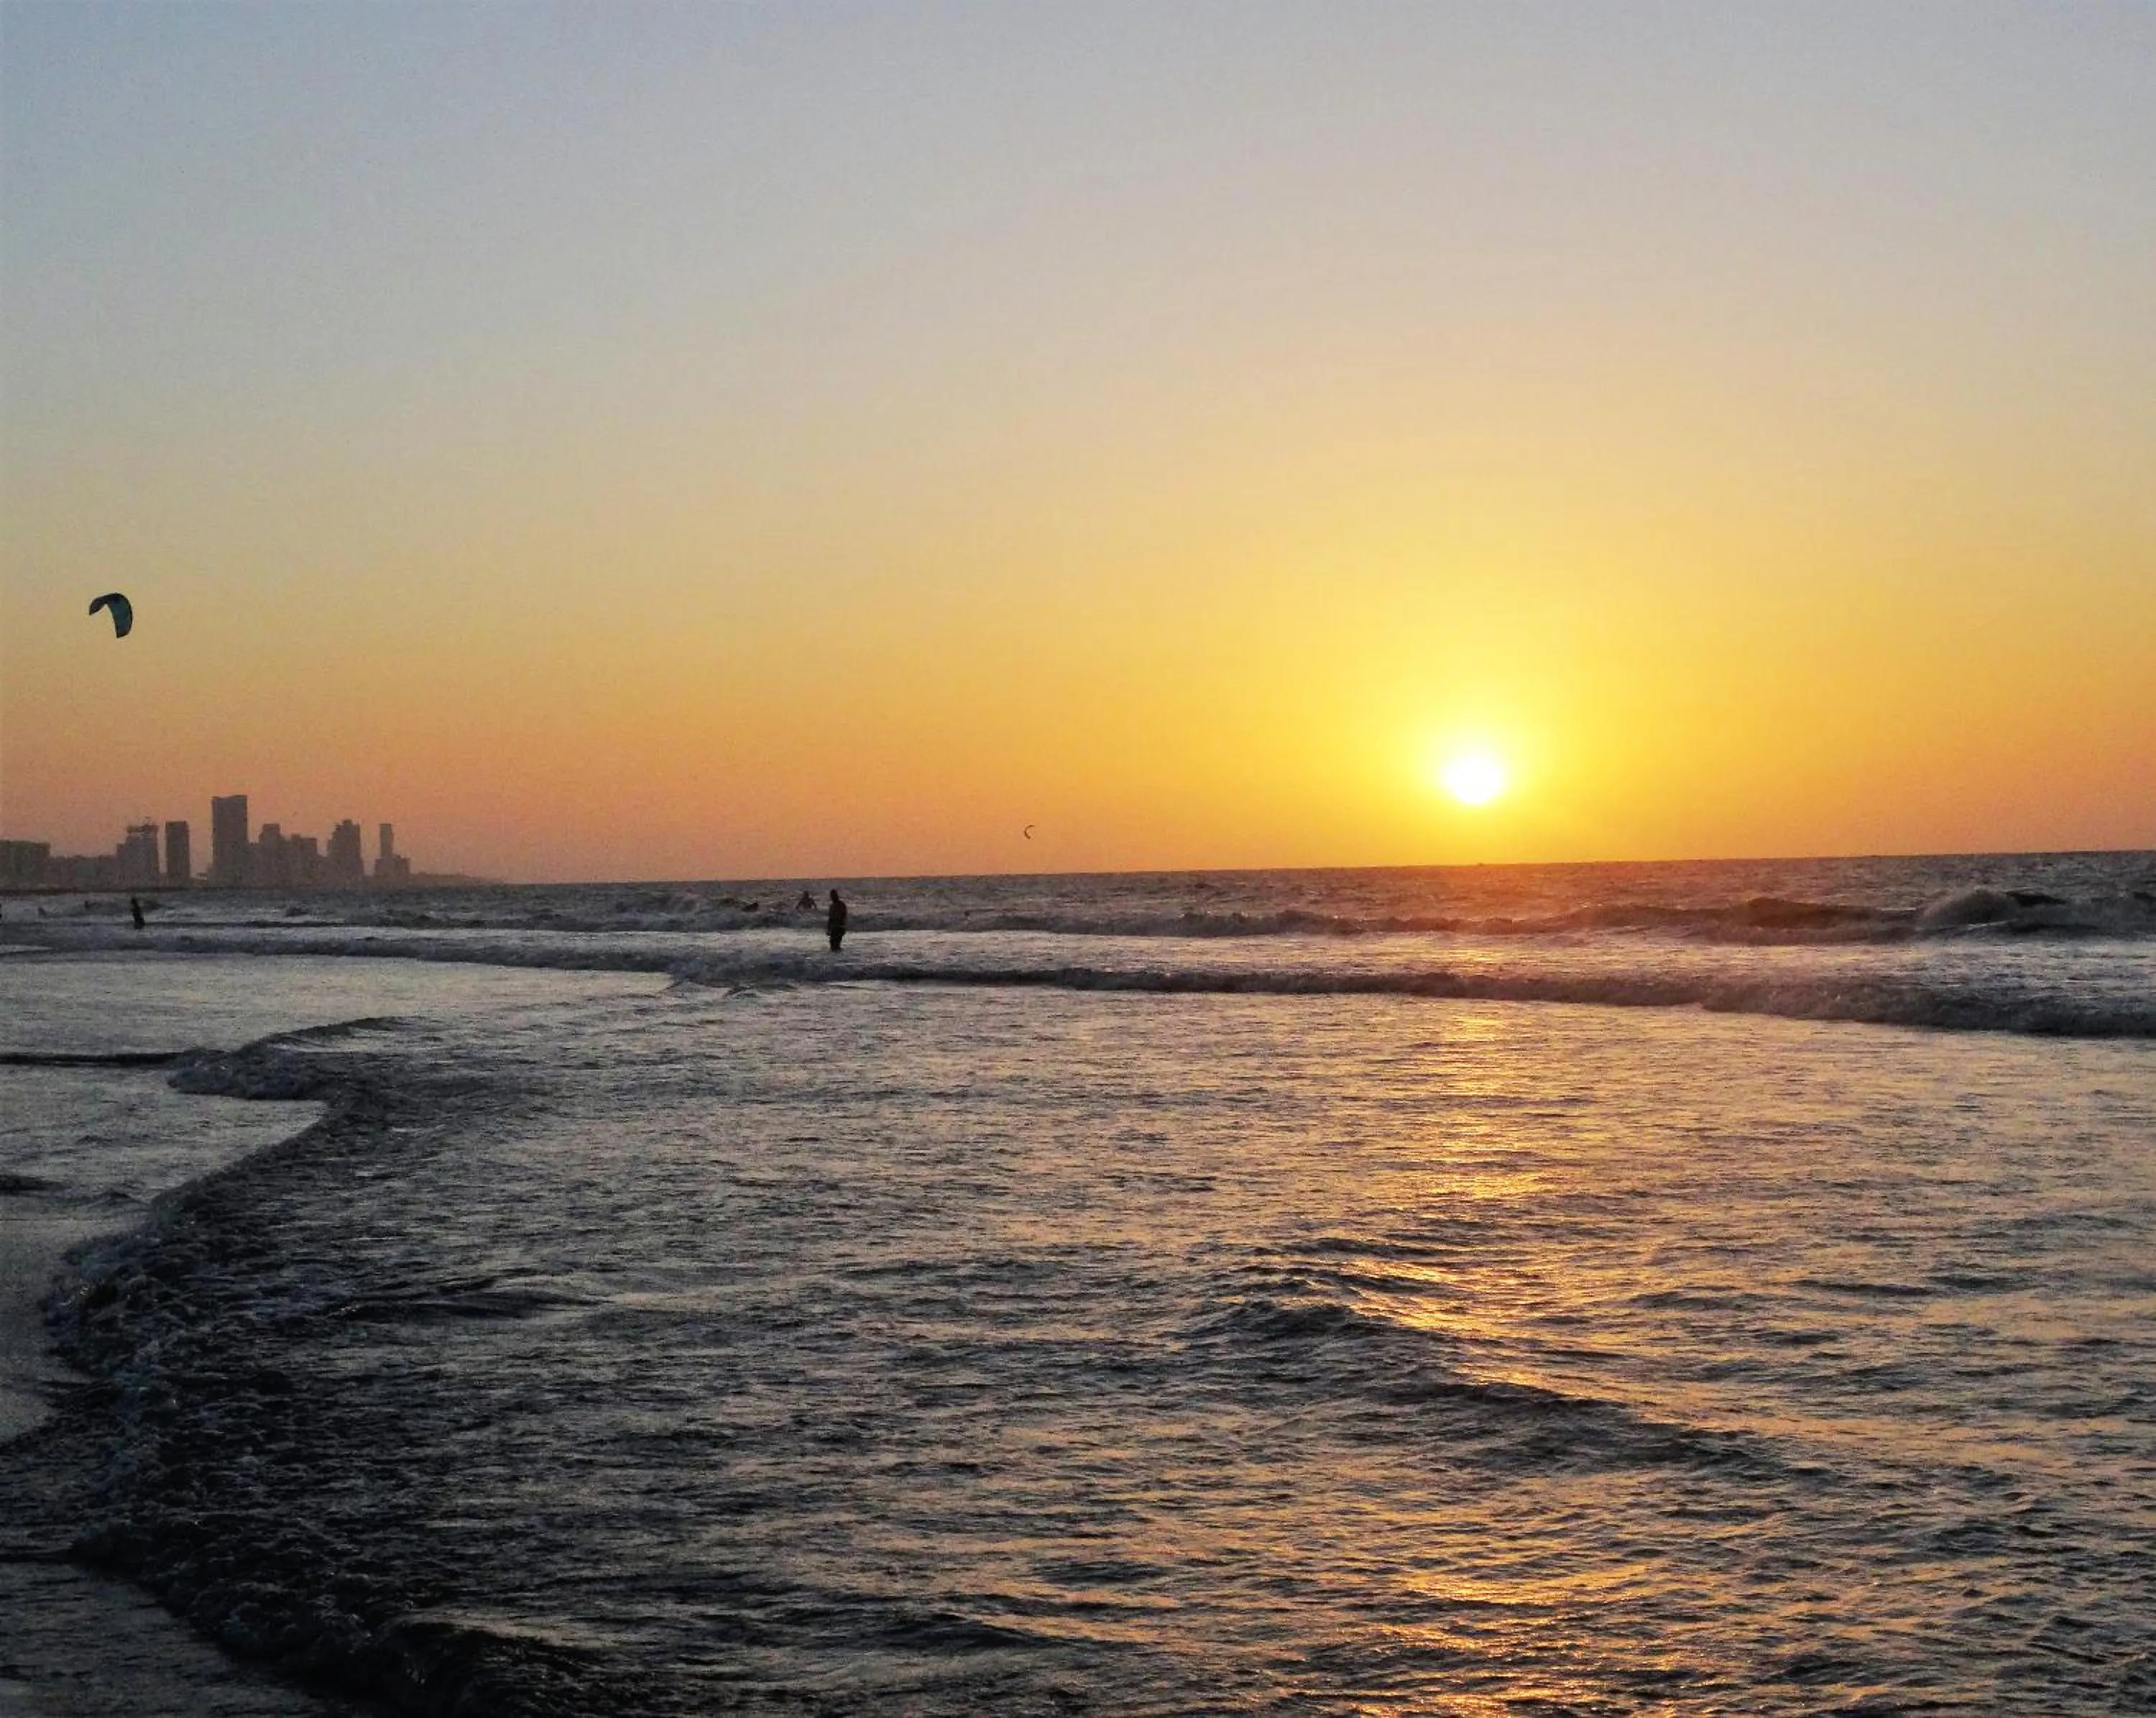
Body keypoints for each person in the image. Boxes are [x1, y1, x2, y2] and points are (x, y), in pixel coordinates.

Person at [826, 888, 848, 952]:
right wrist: (828, 929)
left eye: (833, 896)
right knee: (832, 944)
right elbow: (830, 919)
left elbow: (844, 916)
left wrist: (843, 926)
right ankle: (838, 957)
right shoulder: (832, 906)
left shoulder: (841, 905)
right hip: (834, 928)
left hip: (839, 927)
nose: (832, 898)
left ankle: (839, 956)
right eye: (832, 896)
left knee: (836, 944)